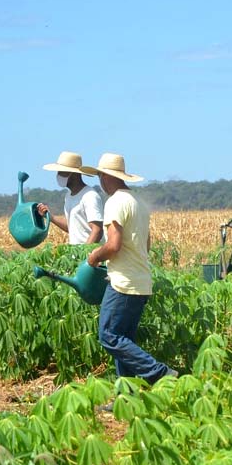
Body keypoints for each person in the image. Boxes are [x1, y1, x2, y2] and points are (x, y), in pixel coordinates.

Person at [84, 152, 177, 384]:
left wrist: (95, 256)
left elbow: (113, 245)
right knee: (125, 340)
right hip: (142, 281)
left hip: (123, 282)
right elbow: (146, 243)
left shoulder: (115, 202)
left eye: (100, 177)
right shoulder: (138, 203)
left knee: (109, 336)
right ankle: (126, 395)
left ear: (106, 177)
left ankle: (160, 373)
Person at [36, 152, 104, 245]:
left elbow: (97, 230)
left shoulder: (89, 196)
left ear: (74, 174)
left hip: (89, 256)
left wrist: (85, 255)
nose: (58, 175)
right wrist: (50, 217)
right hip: (76, 256)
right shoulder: (68, 196)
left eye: (62, 172)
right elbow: (73, 227)